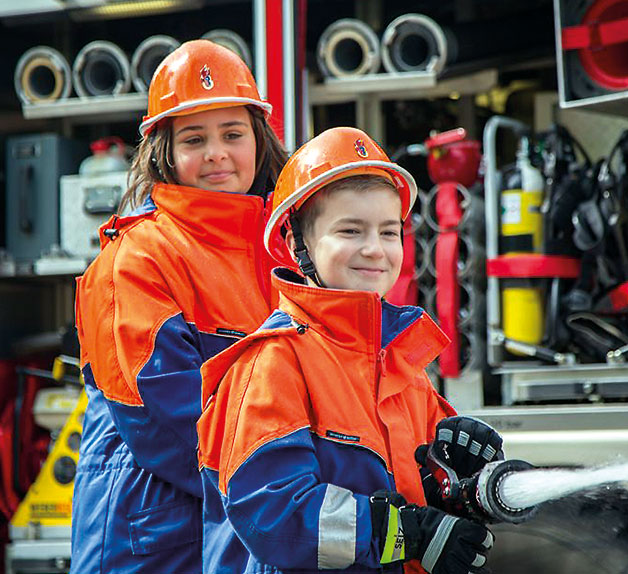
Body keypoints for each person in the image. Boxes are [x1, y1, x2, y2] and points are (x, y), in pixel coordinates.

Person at [197, 127, 504, 574]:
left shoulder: (399, 363)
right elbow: (275, 516)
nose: (374, 249)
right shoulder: (272, 363)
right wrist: (404, 533)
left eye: (388, 231)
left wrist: (462, 480)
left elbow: (418, 494)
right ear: (296, 243)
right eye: (350, 230)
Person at [72, 39, 287, 574]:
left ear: (258, 141)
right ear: (164, 151)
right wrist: (287, 495)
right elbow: (165, 420)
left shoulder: (283, 248)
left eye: (232, 134)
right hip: (153, 538)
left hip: (243, 523)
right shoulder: (137, 257)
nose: (217, 152)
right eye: (194, 138)